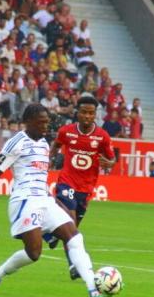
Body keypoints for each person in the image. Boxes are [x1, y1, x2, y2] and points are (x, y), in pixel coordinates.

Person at [0, 104, 104, 297]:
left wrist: (57, 204)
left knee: (74, 237)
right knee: (34, 253)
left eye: (47, 122)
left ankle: (92, 286)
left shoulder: (45, 144)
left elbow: (41, 178)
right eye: (41, 122)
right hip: (24, 202)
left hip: (44, 200)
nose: (46, 126)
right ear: (28, 122)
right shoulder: (16, 142)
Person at [45, 96, 116, 279]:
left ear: (95, 115)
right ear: (77, 112)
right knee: (70, 220)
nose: (87, 116)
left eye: (91, 113)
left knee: (72, 230)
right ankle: (73, 265)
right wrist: (48, 161)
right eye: (84, 112)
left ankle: (50, 235)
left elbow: (112, 159)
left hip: (86, 189)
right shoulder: (66, 131)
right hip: (66, 182)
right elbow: (56, 146)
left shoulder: (102, 136)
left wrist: (108, 163)